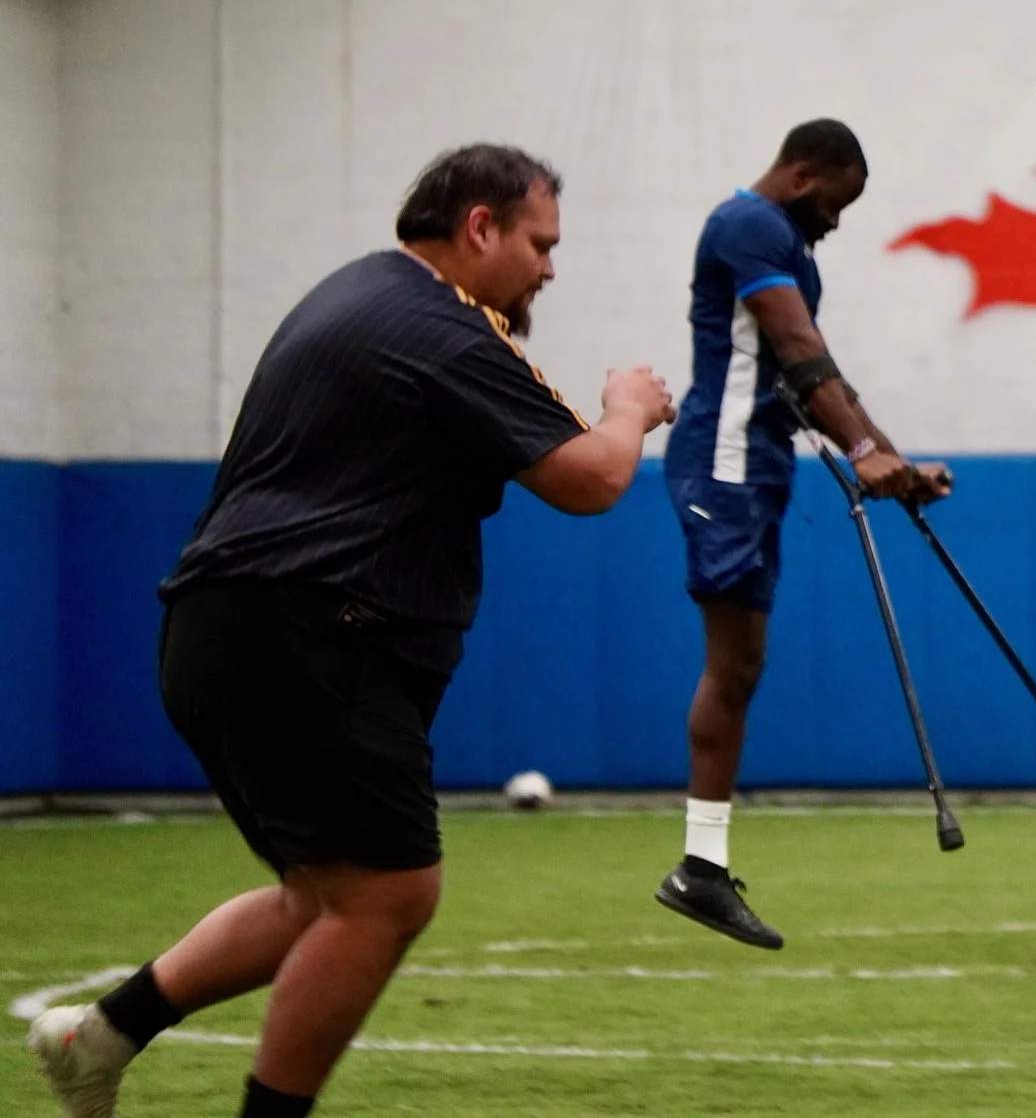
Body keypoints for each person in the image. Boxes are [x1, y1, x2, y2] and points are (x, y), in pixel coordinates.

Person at [26, 146, 675, 1118]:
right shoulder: (441, 327)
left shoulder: (361, 294)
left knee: (323, 897)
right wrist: (629, 408)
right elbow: (591, 478)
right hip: (307, 634)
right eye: (540, 244)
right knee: (386, 896)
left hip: (230, 630)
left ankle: (100, 1037)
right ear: (480, 228)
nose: (550, 268)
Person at [654, 120, 951, 950]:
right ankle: (699, 866)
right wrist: (864, 451)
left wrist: (891, 458)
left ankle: (703, 866)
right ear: (802, 173)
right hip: (723, 464)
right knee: (733, 663)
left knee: (742, 664)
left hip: (757, 464)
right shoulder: (748, 223)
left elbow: (815, 369)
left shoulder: (781, 240)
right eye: (834, 202)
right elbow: (795, 345)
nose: (836, 221)